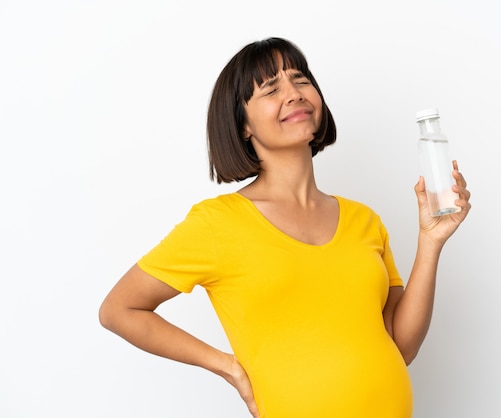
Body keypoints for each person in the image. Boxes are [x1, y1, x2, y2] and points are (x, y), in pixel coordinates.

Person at [99, 37, 471, 418]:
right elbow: (119, 309)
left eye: (300, 79)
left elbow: (401, 346)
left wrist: (431, 242)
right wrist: (226, 366)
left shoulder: (364, 220)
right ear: (242, 124)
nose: (293, 94)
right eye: (271, 89)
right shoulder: (217, 223)